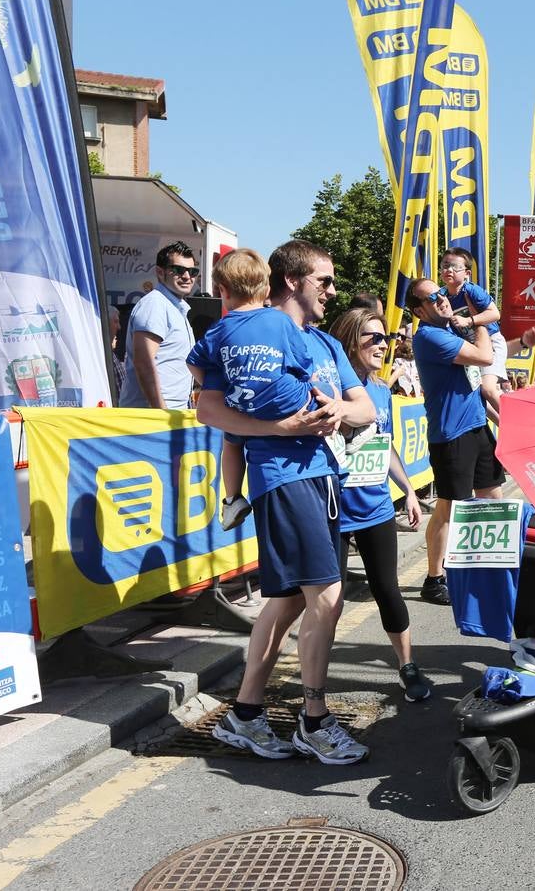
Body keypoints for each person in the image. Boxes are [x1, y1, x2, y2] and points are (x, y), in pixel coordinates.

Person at [202, 239, 377, 765]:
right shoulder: (245, 336)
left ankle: (245, 713)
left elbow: (365, 407)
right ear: (293, 281)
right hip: (284, 477)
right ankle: (315, 721)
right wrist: (281, 428)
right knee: (327, 598)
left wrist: (338, 411)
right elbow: (211, 410)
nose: (332, 291)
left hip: (322, 478)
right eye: (324, 280)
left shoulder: (323, 343)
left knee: (287, 601)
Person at [328, 308, 434, 702]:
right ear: (350, 340)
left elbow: (384, 445)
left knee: (387, 588)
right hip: (334, 510)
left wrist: (408, 490)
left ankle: (407, 666)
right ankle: (315, 677)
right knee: (330, 601)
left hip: (375, 507)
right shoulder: (328, 388)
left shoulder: (381, 391)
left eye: (385, 338)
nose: (383, 345)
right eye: (373, 337)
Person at [185, 248, 315, 531]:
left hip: (246, 405)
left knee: (232, 437)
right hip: (290, 404)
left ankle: (232, 498)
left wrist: (223, 382)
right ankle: (348, 433)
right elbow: (303, 364)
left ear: (222, 290)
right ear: (266, 289)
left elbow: (193, 363)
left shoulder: (219, 329)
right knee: (317, 390)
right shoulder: (280, 321)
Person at [411, 277, 504, 605]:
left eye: (441, 293)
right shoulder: (430, 336)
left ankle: (486, 569)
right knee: (449, 508)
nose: (442, 299)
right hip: (451, 435)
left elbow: (481, 369)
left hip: (477, 426)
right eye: (432, 298)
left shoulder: (450, 329)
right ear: (419, 311)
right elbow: (484, 357)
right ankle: (434, 579)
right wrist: (480, 318)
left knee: (492, 499)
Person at [120, 241, 197, 408]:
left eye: (192, 271)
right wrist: (160, 411)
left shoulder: (174, 307)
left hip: (170, 412)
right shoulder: (155, 304)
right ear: (160, 272)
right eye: (178, 270)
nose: (187, 276)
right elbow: (144, 363)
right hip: (153, 415)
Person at [439, 248, 508, 422]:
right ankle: (505, 429)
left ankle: (520, 426)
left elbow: (495, 314)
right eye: (445, 265)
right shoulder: (441, 296)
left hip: (492, 343)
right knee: (478, 395)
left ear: (467, 273)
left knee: (488, 389)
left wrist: (469, 320)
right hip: (472, 349)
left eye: (455, 267)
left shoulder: (471, 290)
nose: (449, 270)